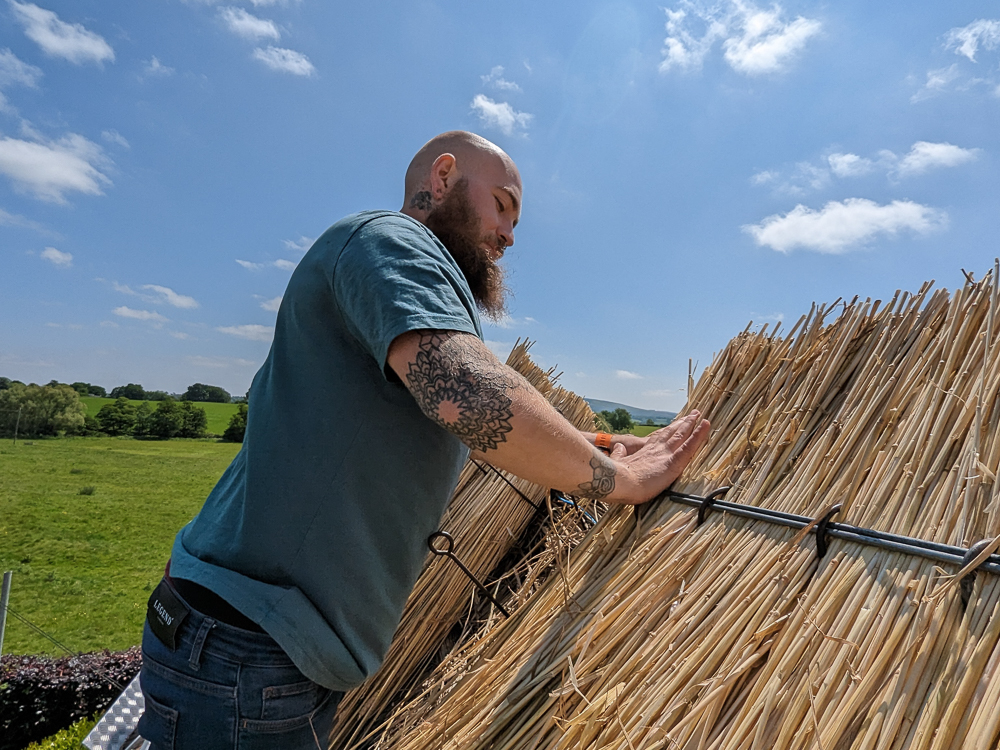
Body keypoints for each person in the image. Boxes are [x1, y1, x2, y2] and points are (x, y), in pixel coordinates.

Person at [136, 131, 710, 749]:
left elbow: (415, 426)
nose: (510, 236)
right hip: (245, 649)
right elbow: (468, 394)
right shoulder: (391, 241)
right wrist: (624, 481)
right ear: (441, 177)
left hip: (250, 642)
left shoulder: (394, 289)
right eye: (502, 205)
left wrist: (592, 445)